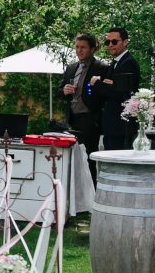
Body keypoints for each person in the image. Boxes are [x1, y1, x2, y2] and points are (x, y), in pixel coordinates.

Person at [60, 33, 108, 180]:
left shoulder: (101, 67)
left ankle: (91, 194)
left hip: (90, 119)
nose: (79, 51)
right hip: (72, 119)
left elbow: (105, 94)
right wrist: (64, 90)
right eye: (77, 47)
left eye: (83, 47)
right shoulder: (71, 67)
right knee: (70, 158)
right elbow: (60, 91)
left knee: (88, 160)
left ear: (92, 49)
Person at [89, 26, 140, 150]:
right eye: (108, 42)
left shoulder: (129, 62)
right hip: (112, 126)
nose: (110, 45)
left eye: (114, 41)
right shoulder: (115, 62)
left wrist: (96, 83)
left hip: (122, 126)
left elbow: (120, 93)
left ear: (125, 42)